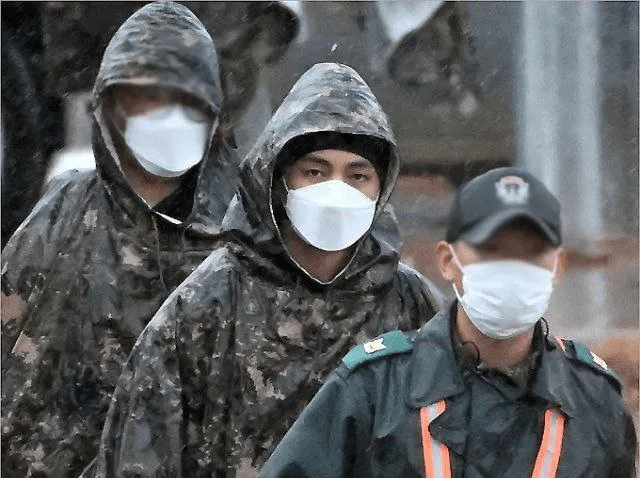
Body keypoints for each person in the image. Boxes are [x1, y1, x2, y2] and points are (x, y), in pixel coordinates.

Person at [91, 62, 446, 477]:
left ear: (380, 188)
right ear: (279, 180)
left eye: (358, 175)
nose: (337, 190)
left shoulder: (410, 305)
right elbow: (141, 451)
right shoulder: (209, 301)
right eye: (315, 171)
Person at [259, 167, 638, 478]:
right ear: (447, 261)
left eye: (530, 251)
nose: (510, 268)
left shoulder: (595, 402)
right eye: (491, 249)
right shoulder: (374, 388)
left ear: (557, 266)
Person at [1, 3, 238, 476]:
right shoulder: (65, 213)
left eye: (186, 98)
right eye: (150, 96)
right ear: (111, 105)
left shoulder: (243, 234)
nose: (169, 115)